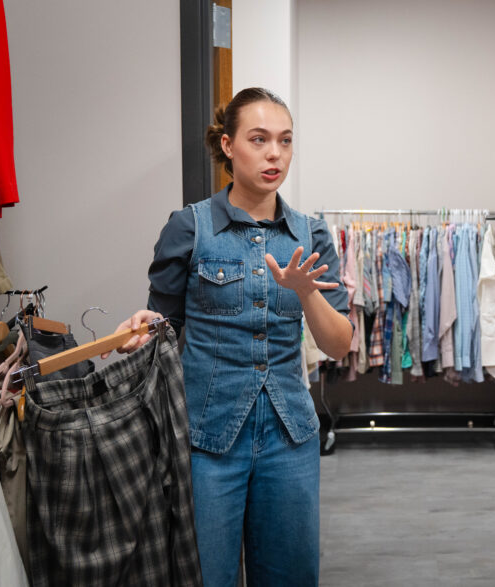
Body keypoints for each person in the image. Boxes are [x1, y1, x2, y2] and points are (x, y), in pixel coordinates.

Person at [110, 87, 352, 586]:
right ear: (228, 145)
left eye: (285, 140)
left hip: (290, 438)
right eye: (259, 139)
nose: (274, 154)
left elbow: (339, 344)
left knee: (289, 576)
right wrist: (141, 329)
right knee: (206, 576)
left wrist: (307, 293)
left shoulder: (311, 235)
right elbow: (165, 327)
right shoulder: (190, 227)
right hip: (207, 440)